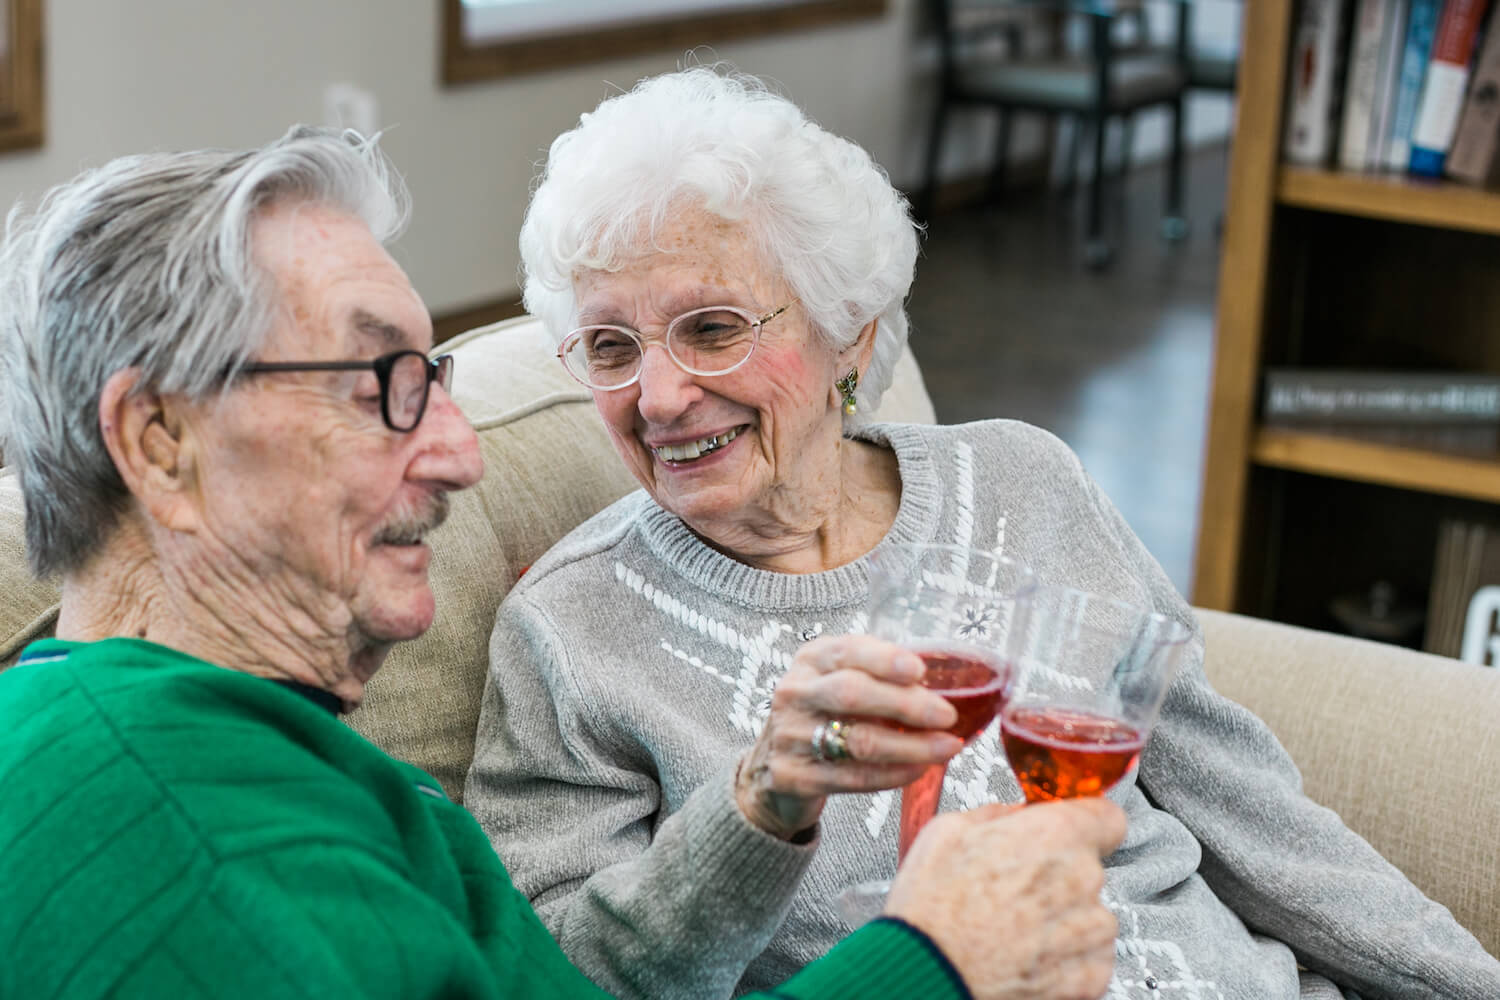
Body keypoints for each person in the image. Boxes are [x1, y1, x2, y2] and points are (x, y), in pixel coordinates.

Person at [0, 126, 1128, 1000]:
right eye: (381, 386)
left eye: (434, 379)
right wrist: (931, 961)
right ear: (161, 442)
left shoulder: (256, 757)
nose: (460, 453)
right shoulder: (187, 849)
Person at [463, 67, 1500, 1000]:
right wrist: (759, 804)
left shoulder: (1023, 480)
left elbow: (1250, 814)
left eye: (713, 328)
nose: (658, 397)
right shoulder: (571, 631)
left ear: (848, 333)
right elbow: (559, 978)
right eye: (611, 347)